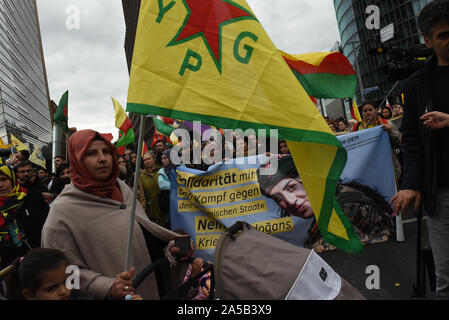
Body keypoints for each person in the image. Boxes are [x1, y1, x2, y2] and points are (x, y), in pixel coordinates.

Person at [41, 130, 191, 300]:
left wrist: (170, 249)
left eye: (106, 151)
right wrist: (106, 286)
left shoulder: (122, 188)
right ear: (77, 160)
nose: (102, 158)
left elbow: (144, 233)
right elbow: (63, 274)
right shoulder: (61, 212)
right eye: (91, 153)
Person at [391, 0, 449, 299]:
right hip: (441, 191)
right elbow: (411, 140)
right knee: (446, 277)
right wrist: (412, 184)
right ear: (428, 40)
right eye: (444, 35)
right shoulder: (417, 84)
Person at [353, 102, 402, 184]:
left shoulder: (386, 123)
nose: (368, 112)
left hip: (388, 166)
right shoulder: (356, 127)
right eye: (365, 111)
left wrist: (391, 131)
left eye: (370, 110)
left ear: (376, 110)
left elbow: (399, 141)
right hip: (367, 169)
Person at [15, 161, 49, 248]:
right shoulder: (14, 186)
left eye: (28, 171)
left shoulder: (38, 182)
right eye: (22, 171)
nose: (26, 173)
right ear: (17, 173)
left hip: (40, 224)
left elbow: (42, 195)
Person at [0, 165, 29, 269]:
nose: (0, 185)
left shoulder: (27, 198)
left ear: (12, 180)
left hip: (29, 261)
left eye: (4, 179)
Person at [139, 151, 164, 226]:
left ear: (154, 159)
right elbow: (142, 197)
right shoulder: (141, 177)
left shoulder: (161, 171)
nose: (147, 161)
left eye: (149, 159)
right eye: (145, 160)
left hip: (164, 210)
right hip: (152, 213)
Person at [158, 149, 175, 229]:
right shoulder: (162, 171)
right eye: (162, 159)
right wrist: (176, 185)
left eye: (165, 158)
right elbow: (162, 185)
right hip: (168, 204)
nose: (163, 160)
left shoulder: (180, 167)